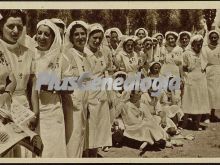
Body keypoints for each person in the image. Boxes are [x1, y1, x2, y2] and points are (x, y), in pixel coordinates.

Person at [0, 9, 39, 158]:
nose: (16, 31)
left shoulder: (29, 52)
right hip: (3, 106)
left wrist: (35, 112)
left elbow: (32, 84)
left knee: (24, 153)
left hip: (24, 109)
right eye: (11, 26)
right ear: (1, 26)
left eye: (20, 27)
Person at [34, 19, 67, 157]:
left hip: (54, 110)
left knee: (54, 150)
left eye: (47, 34)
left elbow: (71, 85)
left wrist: (53, 85)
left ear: (53, 37)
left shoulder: (61, 58)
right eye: (39, 33)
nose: (42, 37)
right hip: (35, 109)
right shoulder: (30, 55)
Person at [61, 20, 90, 158]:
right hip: (72, 101)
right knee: (73, 136)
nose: (80, 37)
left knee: (81, 135)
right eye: (76, 35)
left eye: (83, 34)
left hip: (83, 100)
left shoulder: (84, 55)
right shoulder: (68, 54)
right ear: (71, 38)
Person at [84, 23, 112, 157]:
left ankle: (94, 155)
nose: (97, 41)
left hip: (102, 95)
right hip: (88, 95)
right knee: (89, 129)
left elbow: (106, 73)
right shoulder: (83, 53)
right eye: (94, 37)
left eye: (100, 38)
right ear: (88, 37)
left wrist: (109, 93)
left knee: (100, 129)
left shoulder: (102, 53)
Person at [181, 34, 210, 131]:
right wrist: (185, 78)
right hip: (190, 78)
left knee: (200, 100)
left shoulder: (203, 53)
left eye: (201, 45)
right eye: (197, 45)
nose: (199, 47)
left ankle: (197, 123)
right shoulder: (187, 54)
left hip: (201, 79)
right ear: (192, 44)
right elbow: (184, 68)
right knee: (188, 100)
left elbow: (205, 67)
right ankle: (185, 123)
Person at [201, 30, 220, 122]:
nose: (213, 39)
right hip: (208, 71)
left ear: (218, 38)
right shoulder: (205, 48)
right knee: (208, 93)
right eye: (211, 37)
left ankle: (213, 114)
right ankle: (207, 115)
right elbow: (203, 60)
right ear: (209, 38)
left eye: (215, 37)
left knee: (216, 94)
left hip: (218, 72)